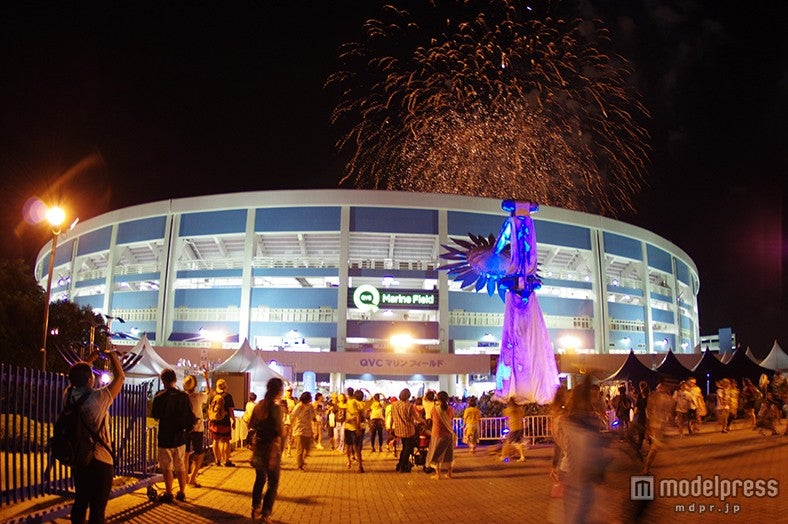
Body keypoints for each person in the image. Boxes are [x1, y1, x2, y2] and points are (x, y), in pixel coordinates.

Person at [65, 349, 125, 524]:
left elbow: (78, 376)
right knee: (98, 508)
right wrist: (113, 356)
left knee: (80, 501)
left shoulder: (68, 396)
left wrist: (89, 360)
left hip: (79, 458)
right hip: (101, 461)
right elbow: (120, 378)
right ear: (90, 380)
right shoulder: (98, 397)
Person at [151, 368, 194, 503]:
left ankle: (169, 493)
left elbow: (155, 416)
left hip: (165, 436)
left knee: (166, 467)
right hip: (180, 436)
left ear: (163, 380)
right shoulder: (183, 396)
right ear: (175, 380)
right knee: (181, 465)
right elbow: (189, 415)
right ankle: (182, 492)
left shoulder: (159, 397)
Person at [249, 378, 285, 524]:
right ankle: (266, 513)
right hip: (271, 449)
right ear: (278, 391)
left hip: (259, 446)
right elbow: (281, 431)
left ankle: (255, 507)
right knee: (273, 482)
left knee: (259, 478)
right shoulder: (276, 408)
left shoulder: (259, 406)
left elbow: (251, 423)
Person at [183, 369, 210, 488]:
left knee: (186, 454)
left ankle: (184, 478)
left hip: (185, 429)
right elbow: (209, 392)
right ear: (195, 385)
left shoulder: (183, 397)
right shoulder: (198, 397)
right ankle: (193, 478)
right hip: (197, 429)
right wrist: (206, 378)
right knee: (199, 453)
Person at [391, 388, 423, 473]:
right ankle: (402, 466)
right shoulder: (409, 406)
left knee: (405, 447)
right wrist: (424, 421)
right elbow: (416, 418)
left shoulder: (394, 405)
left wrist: (391, 428)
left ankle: (400, 464)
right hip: (408, 430)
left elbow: (392, 417)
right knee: (407, 448)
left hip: (398, 429)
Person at [425, 391, 455, 479]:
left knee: (436, 454)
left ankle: (438, 474)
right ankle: (449, 473)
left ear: (437, 399)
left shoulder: (435, 409)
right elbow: (452, 418)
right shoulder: (450, 409)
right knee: (449, 454)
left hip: (437, 434)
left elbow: (431, 418)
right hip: (448, 434)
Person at [208, 378, 236, 466]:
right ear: (225, 386)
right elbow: (231, 410)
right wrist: (234, 420)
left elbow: (209, 409)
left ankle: (217, 460)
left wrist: (210, 419)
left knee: (215, 441)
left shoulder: (212, 395)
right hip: (225, 422)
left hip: (214, 422)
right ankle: (227, 460)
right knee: (226, 441)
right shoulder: (228, 396)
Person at [344, 389, 367, 473]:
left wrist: (357, 428)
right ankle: (357, 464)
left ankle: (356, 464)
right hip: (353, 427)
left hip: (353, 428)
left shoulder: (352, 402)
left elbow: (357, 415)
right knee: (355, 447)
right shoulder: (361, 403)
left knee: (352, 447)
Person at [290, 391, 315, 471]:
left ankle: (302, 461)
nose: (311, 398)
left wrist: (315, 421)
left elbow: (312, 416)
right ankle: (300, 465)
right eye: (310, 397)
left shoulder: (310, 406)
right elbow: (292, 416)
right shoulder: (299, 406)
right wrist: (291, 426)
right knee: (300, 449)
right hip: (299, 430)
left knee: (308, 448)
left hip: (307, 430)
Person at [501, 396, 526, 462]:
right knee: (519, 442)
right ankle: (522, 456)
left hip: (513, 428)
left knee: (507, 442)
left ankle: (503, 456)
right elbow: (523, 414)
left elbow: (504, 414)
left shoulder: (509, 410)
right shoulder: (519, 409)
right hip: (520, 427)